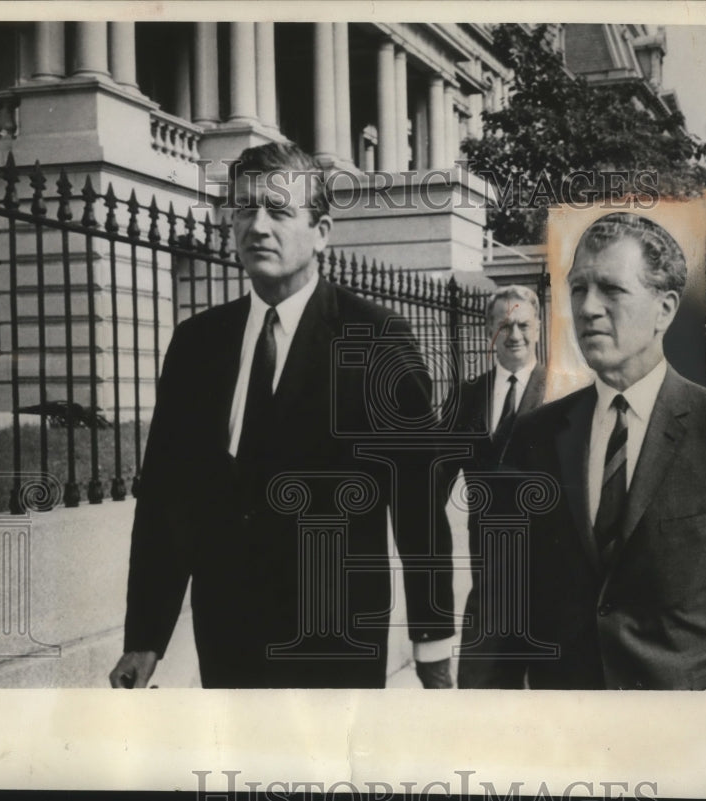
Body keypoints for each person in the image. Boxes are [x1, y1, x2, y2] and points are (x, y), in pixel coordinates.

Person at [109, 142, 455, 689]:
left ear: (322, 232)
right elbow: (167, 500)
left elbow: (418, 505)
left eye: (278, 210)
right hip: (229, 638)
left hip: (336, 637)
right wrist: (145, 636)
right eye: (244, 210)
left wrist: (431, 639)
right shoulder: (198, 343)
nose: (257, 226)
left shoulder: (377, 340)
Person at [480, 212, 706, 690]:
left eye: (611, 289)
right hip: (571, 739)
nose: (587, 308)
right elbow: (500, 609)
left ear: (664, 308)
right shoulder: (535, 435)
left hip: (693, 735)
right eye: (578, 289)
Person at [439, 285, 547, 688]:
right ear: (490, 330)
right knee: (480, 698)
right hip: (490, 583)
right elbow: (434, 478)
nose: (514, 335)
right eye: (505, 325)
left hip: (552, 581)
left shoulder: (565, 392)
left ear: (537, 328)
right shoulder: (467, 396)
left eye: (522, 325)